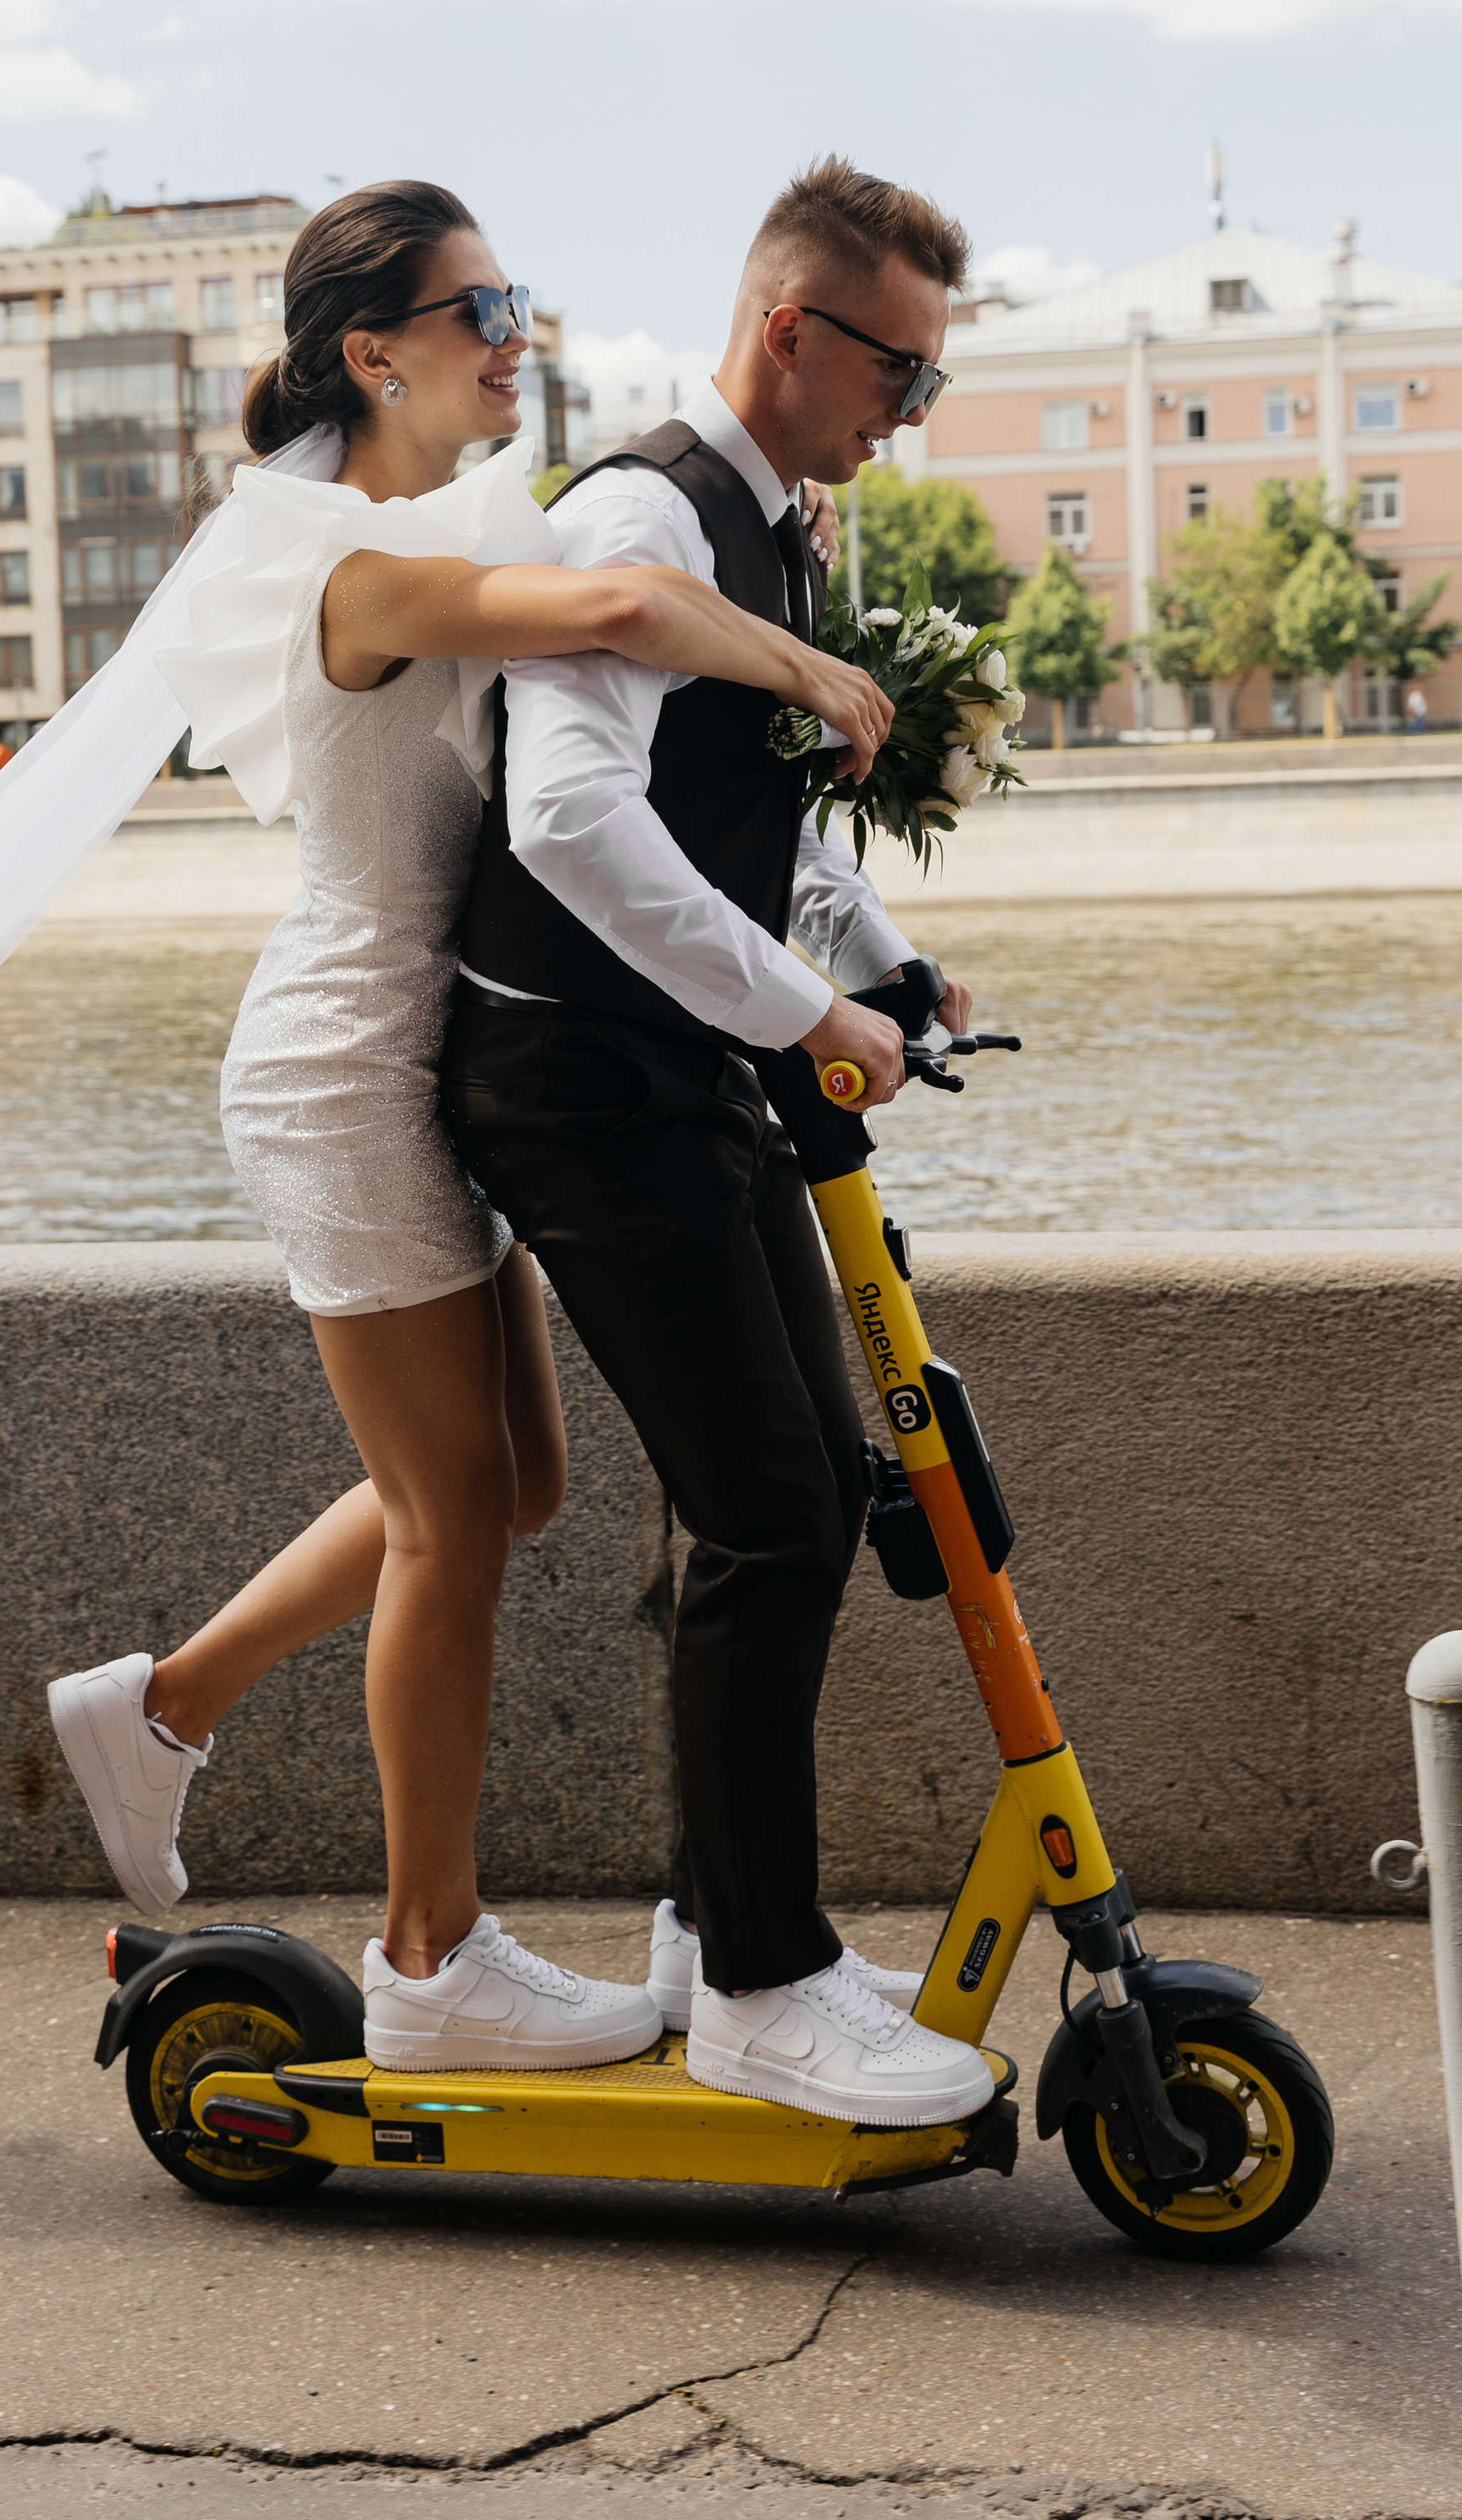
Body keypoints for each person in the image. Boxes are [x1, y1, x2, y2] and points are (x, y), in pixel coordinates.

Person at [46, 179, 895, 2076]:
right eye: (479, 311)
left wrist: (782, 568)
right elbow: (605, 600)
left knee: (511, 1486)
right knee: (454, 1517)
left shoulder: (435, 518)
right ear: (372, 351)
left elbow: (598, 637)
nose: (518, 336)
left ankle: (168, 1701)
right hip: (344, 1065)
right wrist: (800, 659)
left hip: (428, 1053)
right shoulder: (342, 566)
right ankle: (431, 1959)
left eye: (517, 303)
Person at [444, 155, 1002, 2131]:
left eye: (927, 380)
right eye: (897, 373)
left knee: (801, 1489)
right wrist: (805, 1014)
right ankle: (763, 1992)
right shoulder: (639, 513)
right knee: (769, 1513)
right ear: (788, 327)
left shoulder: (783, 533)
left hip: (690, 1078)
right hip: (579, 1086)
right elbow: (570, 825)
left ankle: (720, 1924)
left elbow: (746, 827)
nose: (907, 412)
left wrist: (888, 961)